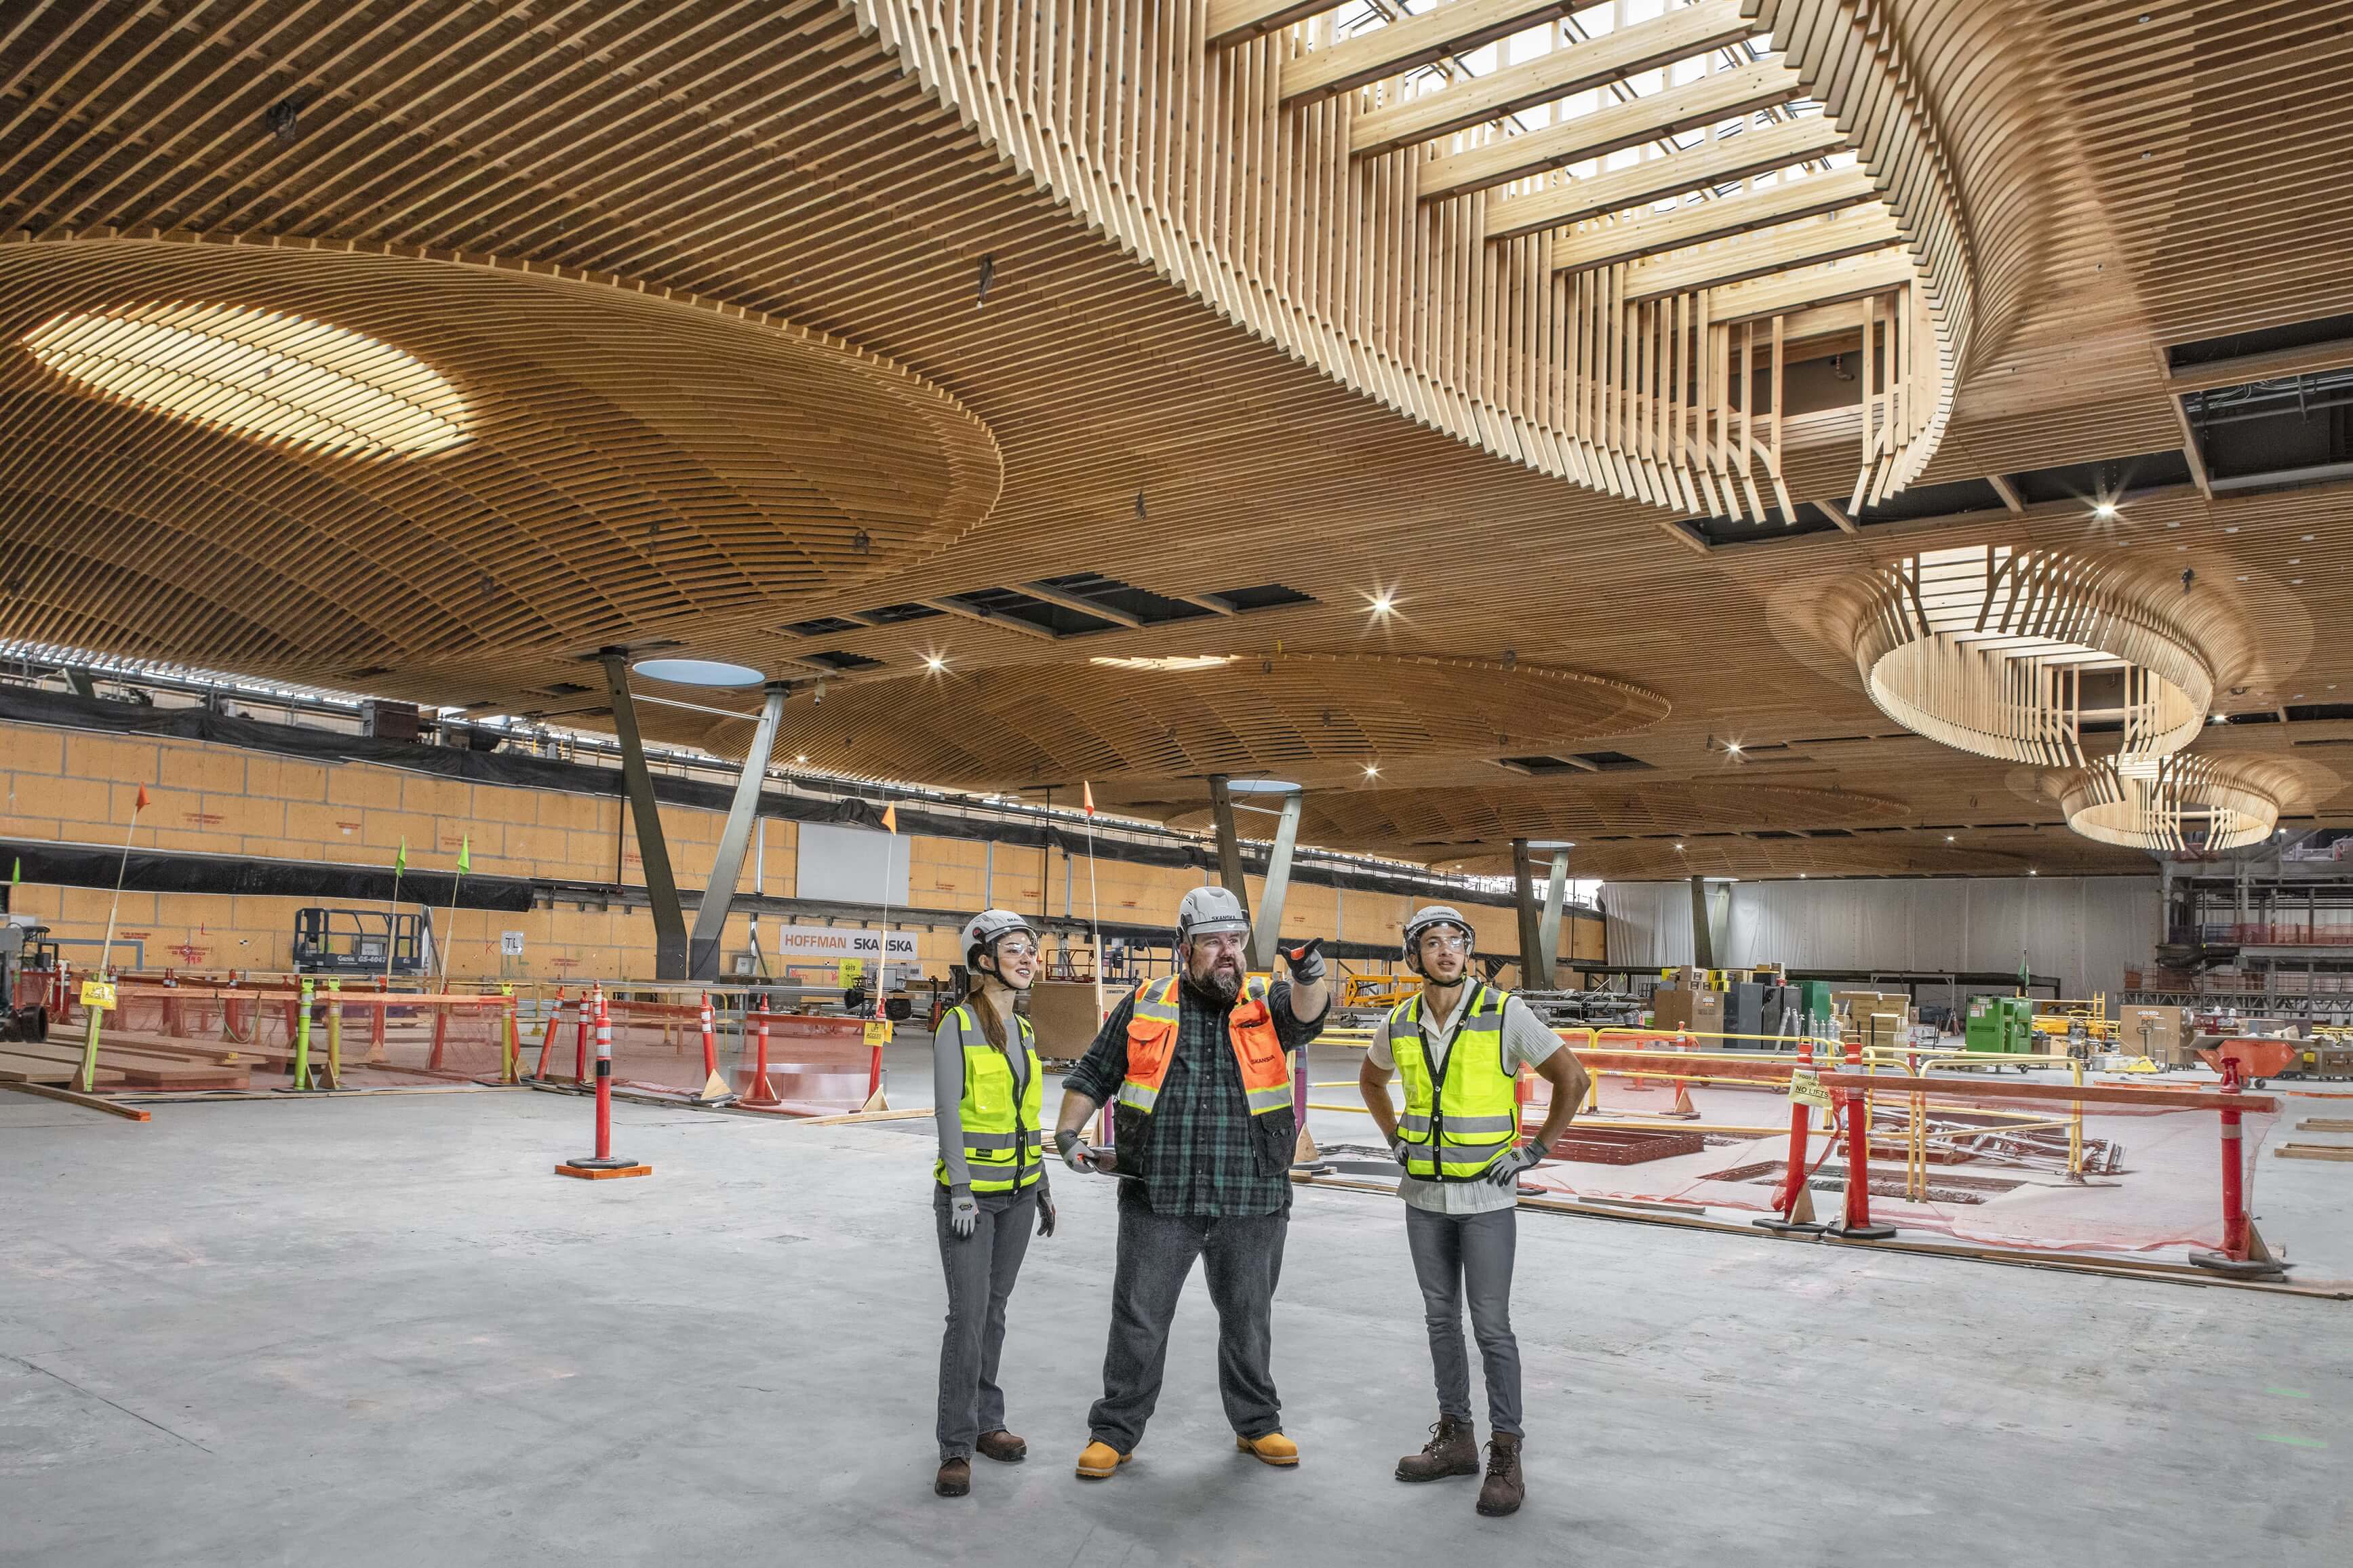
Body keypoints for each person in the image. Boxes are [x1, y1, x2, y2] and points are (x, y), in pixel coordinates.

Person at [1053, 885, 1331, 1481]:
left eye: (1235, 940)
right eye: (1213, 942)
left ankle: (1258, 1423)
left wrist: (1309, 971)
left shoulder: (1267, 1002)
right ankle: (1115, 1431)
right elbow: (1095, 1071)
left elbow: (1309, 1014)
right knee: (1139, 1317)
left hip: (1251, 1194)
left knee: (1249, 1316)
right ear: (1185, 946)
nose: (1227, 952)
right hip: (1160, 1194)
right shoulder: (1146, 1002)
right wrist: (1068, 1133)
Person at [1356, 904, 1589, 1518]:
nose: (1445, 951)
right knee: (1440, 1319)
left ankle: (1506, 1454)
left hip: (1487, 1199)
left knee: (1491, 1326)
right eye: (1432, 943)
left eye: (1455, 941)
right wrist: (1394, 1139)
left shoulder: (1504, 1012)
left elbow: (1573, 1079)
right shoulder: (1401, 1020)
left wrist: (1535, 1150)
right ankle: (1456, 1437)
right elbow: (1370, 1081)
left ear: (1468, 950)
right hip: (1424, 1199)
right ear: (1415, 956)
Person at [930, 908, 1054, 1498]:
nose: (1028, 958)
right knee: (968, 1314)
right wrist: (958, 1190)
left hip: (1020, 1192)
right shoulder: (955, 1025)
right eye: (1014, 950)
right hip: (972, 1199)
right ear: (983, 960)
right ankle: (955, 1445)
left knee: (996, 1310)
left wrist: (1044, 1182)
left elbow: (1026, 1115)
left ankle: (987, 1423)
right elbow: (947, 1112)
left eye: (1031, 949)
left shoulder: (1026, 1033)